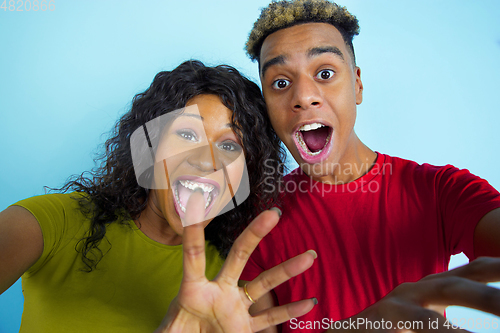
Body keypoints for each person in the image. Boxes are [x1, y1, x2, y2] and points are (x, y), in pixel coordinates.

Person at [237, 0, 500, 332]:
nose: (303, 96)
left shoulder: (441, 190)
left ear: (357, 84)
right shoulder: (255, 227)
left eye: (325, 73)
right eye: (280, 82)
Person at [0, 60, 317, 332]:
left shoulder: (242, 288)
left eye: (229, 145)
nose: (207, 160)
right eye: (188, 134)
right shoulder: (45, 224)